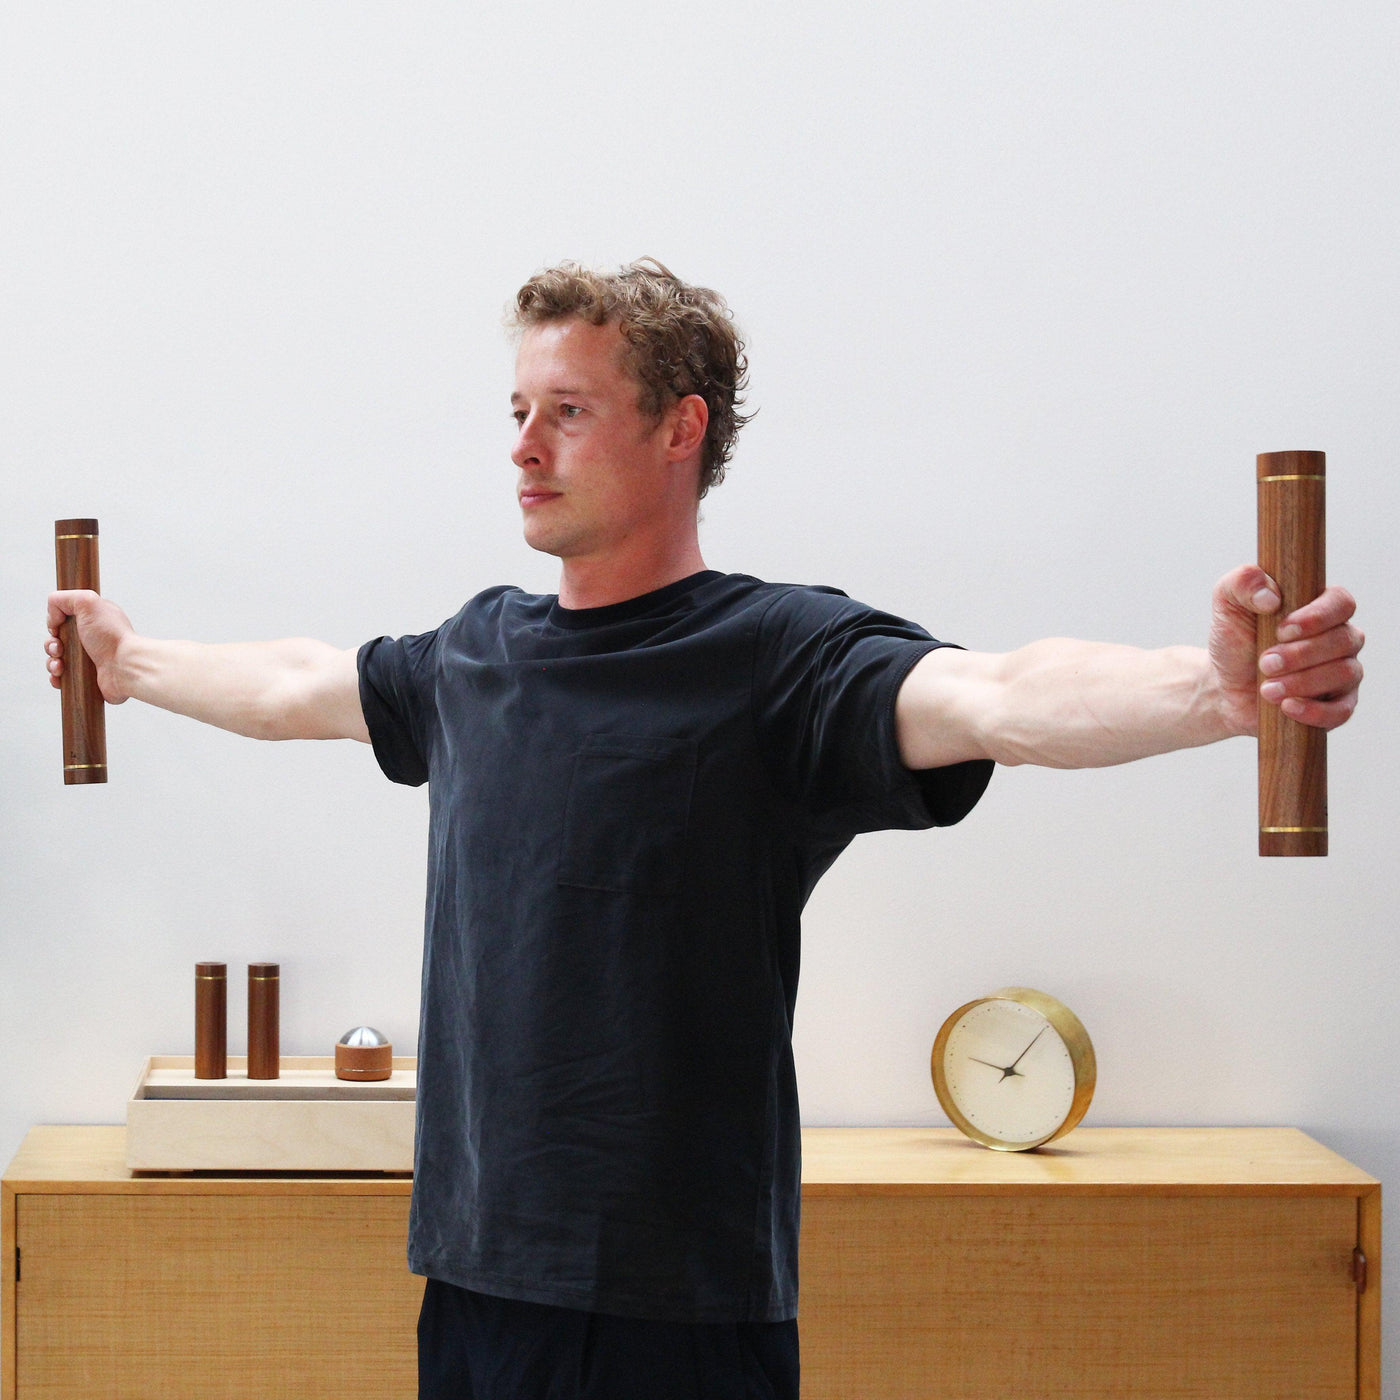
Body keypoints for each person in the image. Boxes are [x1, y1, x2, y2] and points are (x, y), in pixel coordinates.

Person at [45, 259, 1364, 1400]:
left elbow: (1001, 696)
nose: (524, 447)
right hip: (477, 1282)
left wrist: (1210, 695)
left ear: (681, 429)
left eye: (568, 411)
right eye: (517, 412)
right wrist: (131, 661)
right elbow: (294, 685)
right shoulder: (477, 656)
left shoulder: (776, 657)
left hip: (677, 1312)